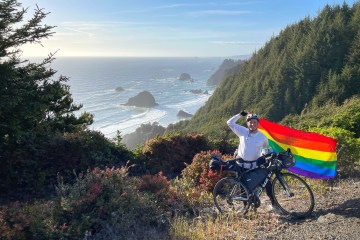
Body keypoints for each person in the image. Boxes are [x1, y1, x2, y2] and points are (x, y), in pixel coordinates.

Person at [227, 110, 278, 212]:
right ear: (247, 123)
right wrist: (240, 115)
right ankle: (246, 208)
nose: (252, 124)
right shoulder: (242, 131)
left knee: (267, 182)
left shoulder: (262, 137)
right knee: (243, 188)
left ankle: (274, 204)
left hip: (255, 165)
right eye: (250, 122)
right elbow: (229, 123)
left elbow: (266, 148)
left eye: (254, 122)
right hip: (241, 165)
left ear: (258, 124)